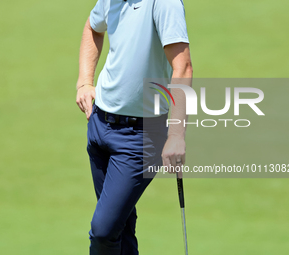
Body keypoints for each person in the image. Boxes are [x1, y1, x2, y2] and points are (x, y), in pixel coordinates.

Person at [76, 0, 193, 254]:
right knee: (121, 231)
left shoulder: (165, 3)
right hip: (99, 125)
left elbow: (182, 68)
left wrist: (175, 134)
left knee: (104, 231)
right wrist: (85, 81)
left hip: (140, 138)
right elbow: (93, 27)